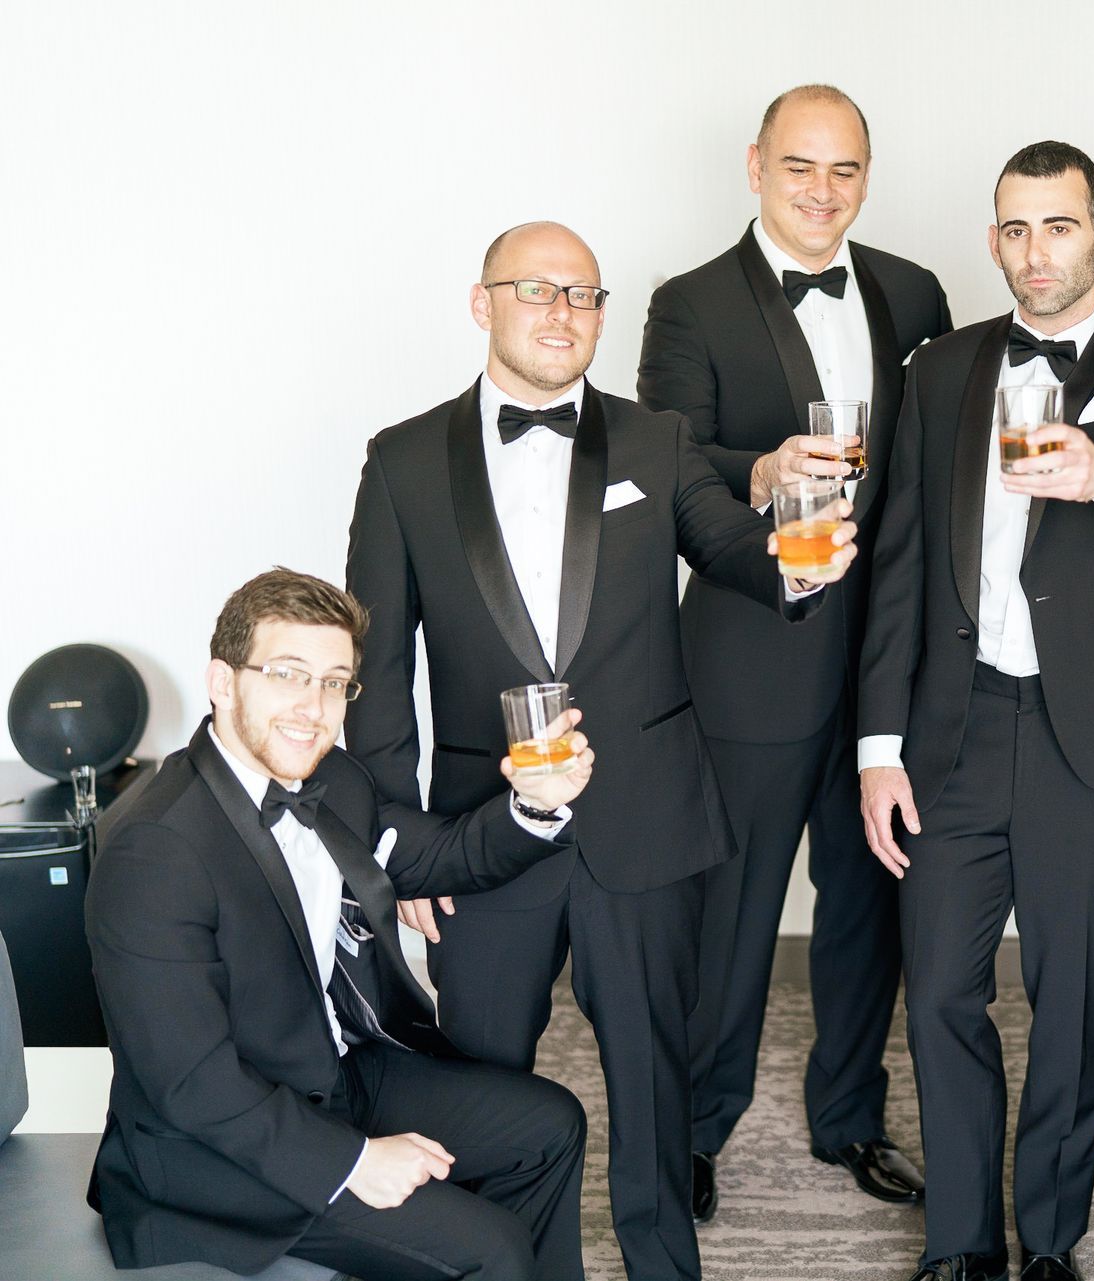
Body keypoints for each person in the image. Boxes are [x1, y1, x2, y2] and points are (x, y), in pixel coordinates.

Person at [345, 221, 856, 1280]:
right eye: (538, 291)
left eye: (584, 295)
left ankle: (665, 1264)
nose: (563, 313)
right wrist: (400, 846)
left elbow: (727, 548)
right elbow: (378, 671)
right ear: (482, 304)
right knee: (483, 1088)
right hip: (483, 839)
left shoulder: (654, 439)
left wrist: (797, 568)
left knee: (653, 1078)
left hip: (647, 819)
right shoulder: (400, 461)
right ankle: (492, 1265)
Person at [859, 141, 1094, 1281]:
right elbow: (901, 564)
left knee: (1073, 1002)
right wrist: (879, 745)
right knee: (941, 997)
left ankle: (1050, 1240)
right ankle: (961, 1243)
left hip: (1092, 737)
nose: (1036, 251)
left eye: (1058, 227)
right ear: (993, 241)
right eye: (1015, 229)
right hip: (951, 729)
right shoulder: (941, 368)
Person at [87, 568, 591, 1280]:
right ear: (223, 682)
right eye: (287, 673)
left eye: (333, 681)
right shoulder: (155, 846)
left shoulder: (337, 781)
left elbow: (441, 856)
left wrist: (536, 803)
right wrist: (354, 1161)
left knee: (549, 1127)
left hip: (334, 1073)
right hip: (213, 1154)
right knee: (493, 1248)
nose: (312, 705)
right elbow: (191, 1084)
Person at [638, 83, 950, 1221]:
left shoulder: (915, 293)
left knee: (872, 905)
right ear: (757, 163)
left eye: (846, 171)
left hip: (887, 666)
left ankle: (850, 1120)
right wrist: (760, 475)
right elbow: (666, 464)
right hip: (750, 660)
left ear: (867, 177)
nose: (823, 192)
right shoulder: (688, 303)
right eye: (801, 167)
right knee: (731, 919)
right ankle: (697, 1128)